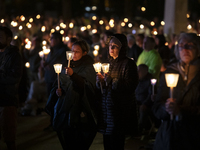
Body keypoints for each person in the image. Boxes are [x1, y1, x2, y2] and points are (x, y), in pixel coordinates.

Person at [45, 40, 97, 150]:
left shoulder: (88, 67)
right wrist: (58, 91)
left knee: (79, 142)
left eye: (77, 51)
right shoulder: (67, 66)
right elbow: (60, 84)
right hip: (65, 109)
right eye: (72, 51)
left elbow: (86, 86)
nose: (73, 54)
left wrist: (73, 75)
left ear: (84, 53)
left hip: (81, 112)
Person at [152, 33, 200, 150]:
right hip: (169, 137)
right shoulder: (170, 71)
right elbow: (157, 106)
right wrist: (166, 108)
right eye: (181, 45)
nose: (185, 49)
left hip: (194, 137)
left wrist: (181, 111)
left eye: (190, 45)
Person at [96, 34, 139, 150]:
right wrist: (100, 82)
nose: (111, 48)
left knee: (116, 144)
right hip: (106, 113)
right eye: (110, 45)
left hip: (119, 113)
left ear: (122, 48)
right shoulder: (108, 64)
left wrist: (112, 81)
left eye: (115, 46)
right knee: (107, 145)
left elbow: (130, 86)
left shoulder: (128, 64)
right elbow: (103, 88)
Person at [0, 26, 23, 150]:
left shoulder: (14, 56)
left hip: (7, 100)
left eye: (1, 37)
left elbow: (15, 77)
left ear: (9, 39)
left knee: (9, 136)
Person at [41, 31, 70, 96]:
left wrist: (51, 67)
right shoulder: (52, 49)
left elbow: (65, 64)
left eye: (52, 38)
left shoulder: (64, 50)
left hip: (57, 79)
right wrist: (44, 63)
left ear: (57, 39)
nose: (50, 40)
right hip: (49, 77)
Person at [135, 64, 154, 133]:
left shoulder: (151, 81)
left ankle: (140, 129)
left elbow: (151, 94)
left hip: (146, 103)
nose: (137, 72)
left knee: (142, 109)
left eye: (139, 71)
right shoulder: (136, 80)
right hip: (136, 101)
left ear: (145, 71)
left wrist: (145, 103)